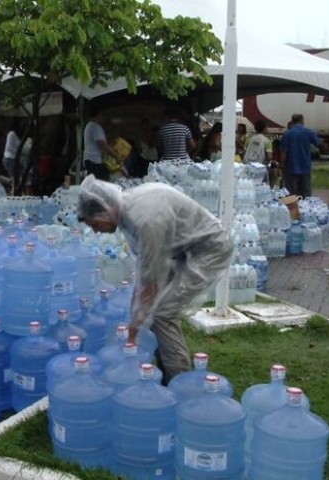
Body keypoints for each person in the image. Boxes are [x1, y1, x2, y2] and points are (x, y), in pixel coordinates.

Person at [76, 175, 234, 383]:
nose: (95, 231)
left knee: (162, 313)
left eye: (94, 224)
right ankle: (160, 367)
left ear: (105, 209)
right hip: (181, 250)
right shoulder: (127, 209)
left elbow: (150, 281)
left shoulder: (144, 220)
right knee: (152, 310)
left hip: (207, 251)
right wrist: (138, 316)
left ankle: (178, 381)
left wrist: (134, 326)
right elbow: (146, 272)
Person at [280, 113, 320, 198]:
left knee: (291, 194)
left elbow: (283, 152)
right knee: (306, 194)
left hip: (291, 168)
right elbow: (318, 144)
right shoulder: (309, 132)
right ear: (302, 120)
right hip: (305, 167)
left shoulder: (287, 134)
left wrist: (282, 164)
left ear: (292, 121)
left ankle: (293, 210)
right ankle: (306, 209)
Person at [83, 105, 123, 180]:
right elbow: (103, 145)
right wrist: (116, 156)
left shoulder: (89, 126)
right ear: (98, 115)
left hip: (89, 159)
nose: (103, 118)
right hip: (95, 160)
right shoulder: (95, 126)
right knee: (102, 181)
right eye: (102, 115)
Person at [244, 120, 277, 185]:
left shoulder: (249, 139)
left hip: (248, 166)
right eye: (267, 127)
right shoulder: (267, 141)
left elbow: (245, 152)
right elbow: (269, 157)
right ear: (264, 129)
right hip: (260, 167)